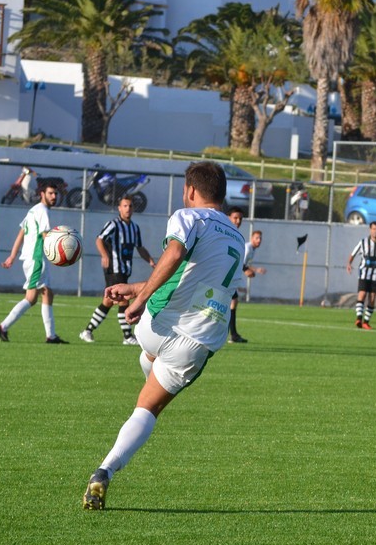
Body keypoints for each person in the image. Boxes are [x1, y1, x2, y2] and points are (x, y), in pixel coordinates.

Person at [83, 161, 246, 510]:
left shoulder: (188, 216)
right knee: (148, 408)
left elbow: (174, 255)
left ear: (190, 191)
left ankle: (151, 364)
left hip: (156, 325)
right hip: (199, 339)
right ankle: (104, 470)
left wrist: (139, 296)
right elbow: (194, 274)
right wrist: (136, 289)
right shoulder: (237, 236)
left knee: (151, 362)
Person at [0, 180, 67, 344]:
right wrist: (61, 251)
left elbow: (21, 233)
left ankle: (50, 335)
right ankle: (4, 327)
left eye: (55, 194)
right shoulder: (43, 211)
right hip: (36, 259)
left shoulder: (33, 210)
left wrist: (12, 256)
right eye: (50, 193)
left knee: (42, 295)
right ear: (42, 194)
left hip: (31, 259)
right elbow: (45, 236)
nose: (54, 196)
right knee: (34, 296)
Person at [79, 196, 156, 345]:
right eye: (125, 206)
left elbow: (139, 247)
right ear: (119, 208)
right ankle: (127, 336)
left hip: (125, 269)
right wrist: (104, 255)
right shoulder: (113, 225)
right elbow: (99, 239)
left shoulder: (134, 228)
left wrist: (150, 260)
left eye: (130, 206)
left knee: (108, 301)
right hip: (114, 268)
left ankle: (88, 331)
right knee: (123, 299)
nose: (128, 209)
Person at [226, 207, 251, 343]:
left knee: (232, 301)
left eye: (240, 218)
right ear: (228, 217)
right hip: (216, 275)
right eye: (235, 218)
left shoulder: (237, 236)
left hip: (226, 277)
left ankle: (233, 334)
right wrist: (245, 269)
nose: (238, 221)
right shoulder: (225, 232)